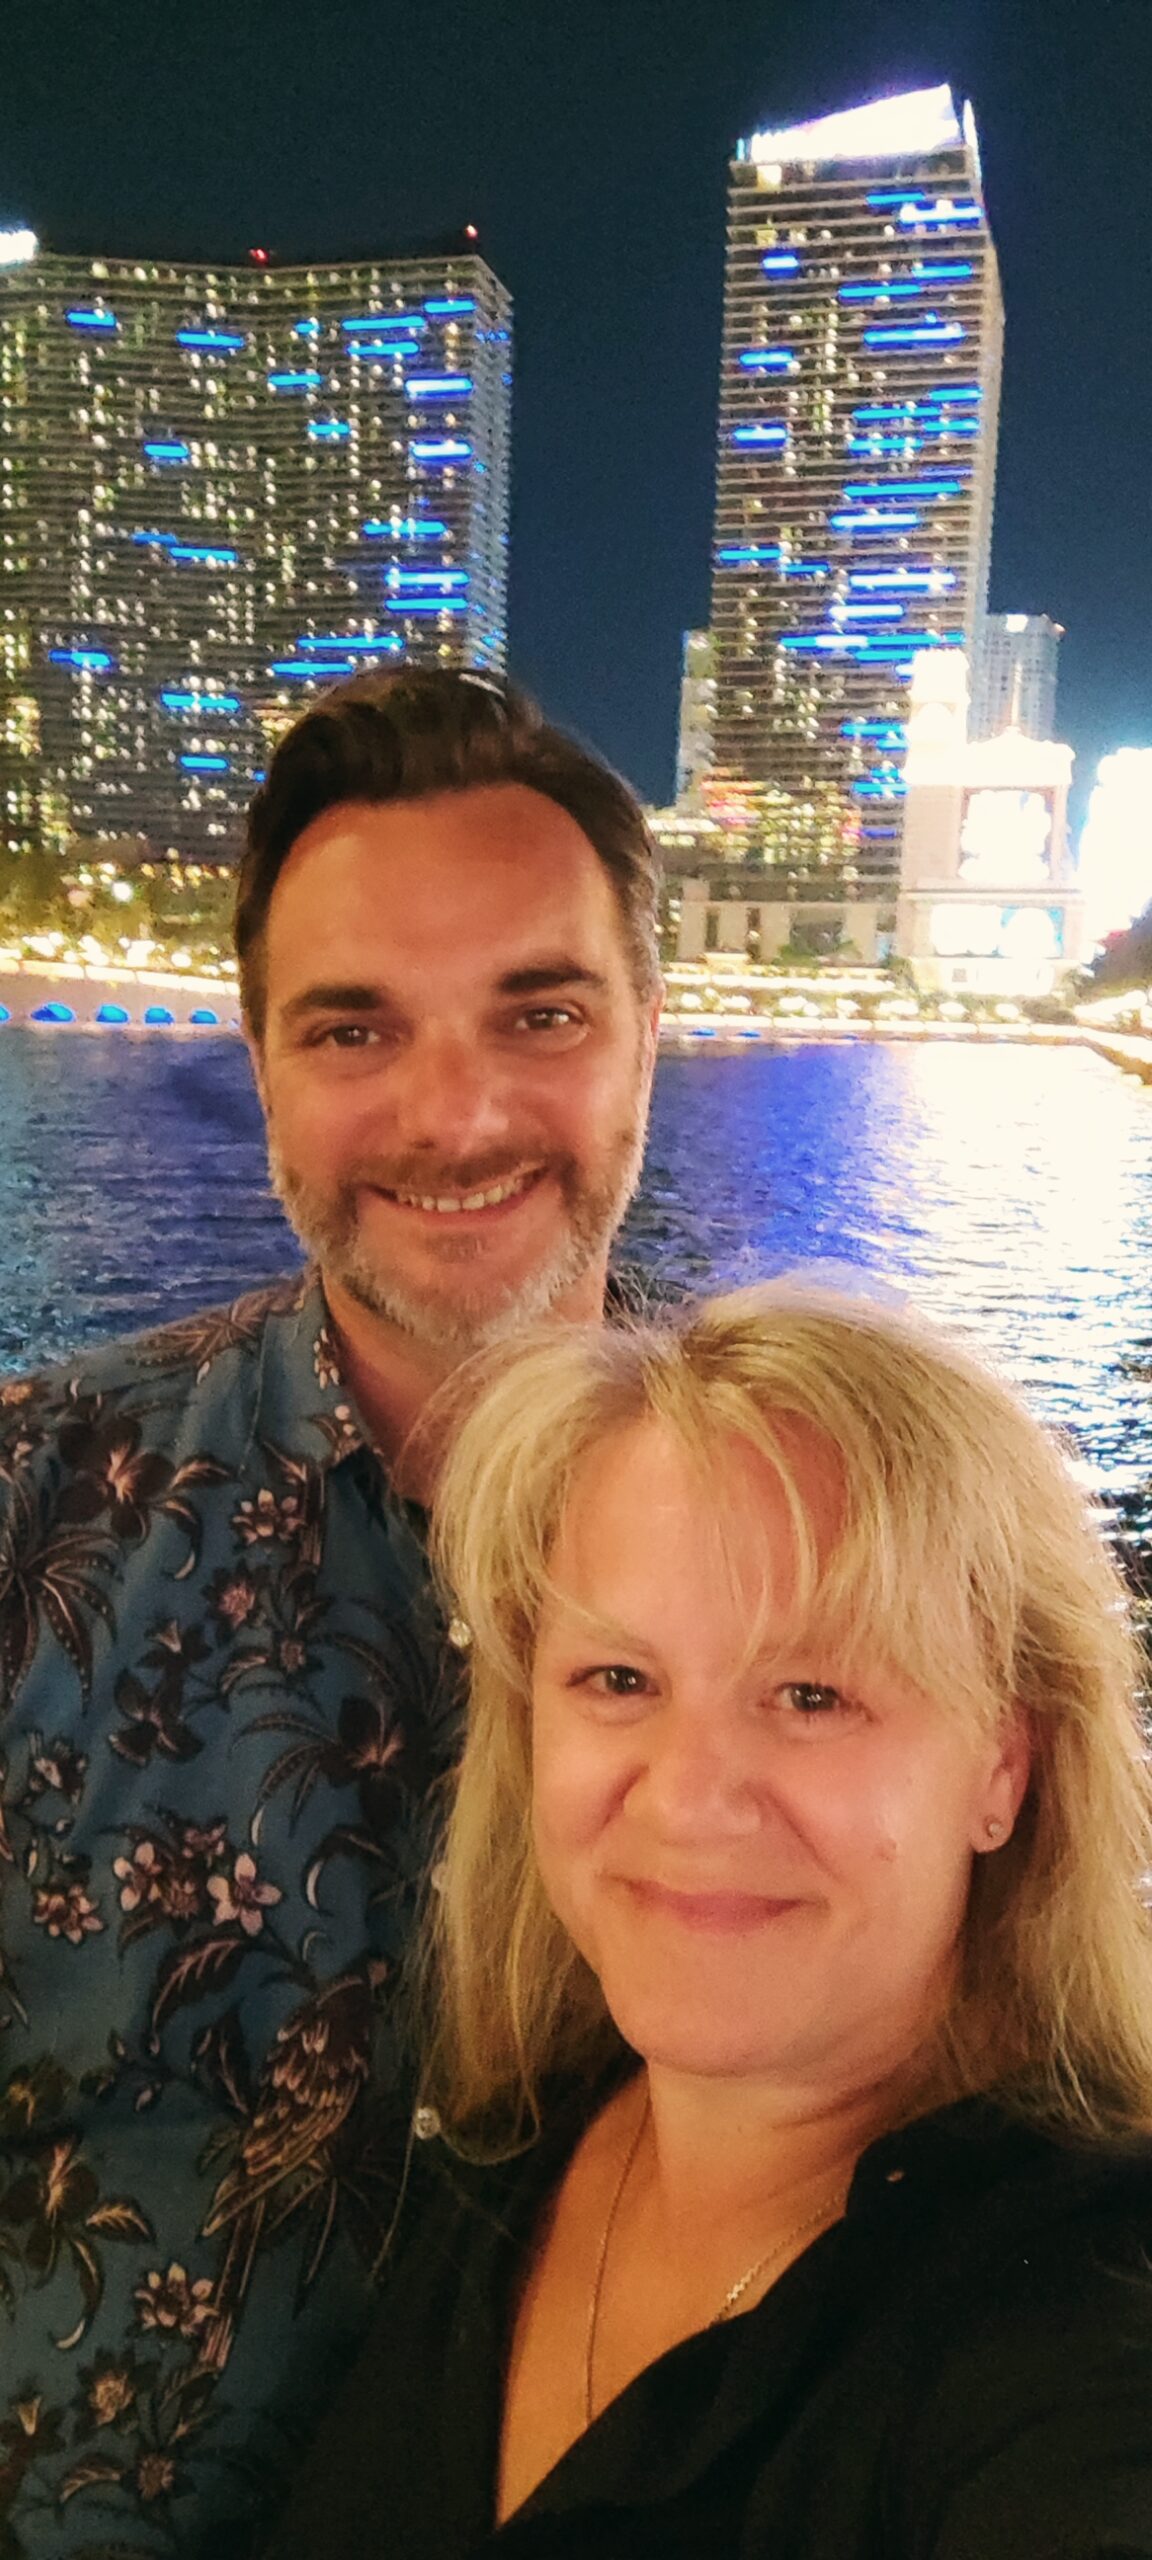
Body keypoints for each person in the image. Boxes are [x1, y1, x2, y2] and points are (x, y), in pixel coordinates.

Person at [0, 669, 661, 2554]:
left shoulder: (823, 1562)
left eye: (539, 1012)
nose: (455, 1115)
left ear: (648, 1032)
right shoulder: (31, 1511)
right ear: (264, 1065)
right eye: (354, 1027)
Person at [264, 1284, 1152, 2558]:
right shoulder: (513, 2145)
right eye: (619, 1678)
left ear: (1004, 1766)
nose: (686, 1795)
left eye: (812, 1693)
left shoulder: (1077, 2315)